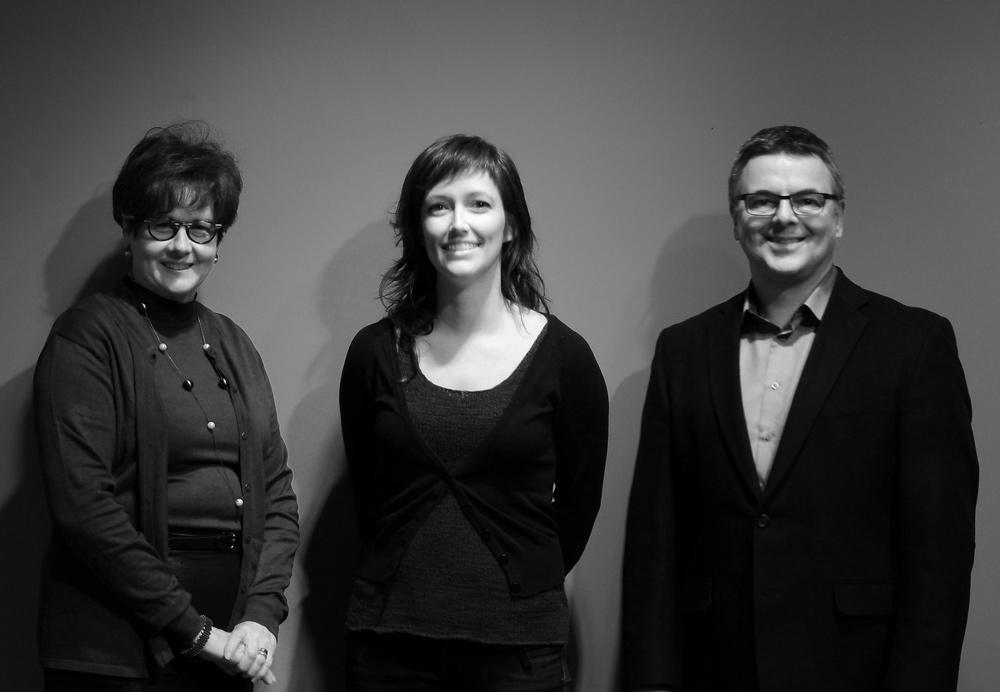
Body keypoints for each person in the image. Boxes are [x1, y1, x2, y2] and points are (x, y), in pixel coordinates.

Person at [622, 125, 978, 692]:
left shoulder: (914, 345)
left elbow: (940, 557)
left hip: (855, 668)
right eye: (761, 200)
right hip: (714, 668)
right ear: (738, 219)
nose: (784, 216)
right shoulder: (683, 350)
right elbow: (654, 546)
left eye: (808, 199)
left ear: (838, 217)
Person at [34, 122, 299, 691]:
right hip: (111, 647)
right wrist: (196, 632)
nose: (183, 246)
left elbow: (276, 491)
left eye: (202, 229)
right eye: (164, 226)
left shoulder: (235, 343)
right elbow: (83, 508)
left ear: (219, 241)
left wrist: (261, 614)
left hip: (231, 644)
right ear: (129, 229)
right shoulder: (87, 337)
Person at [339, 134, 608, 691]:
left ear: (511, 225)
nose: (458, 223)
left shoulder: (566, 358)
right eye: (439, 206)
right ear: (419, 228)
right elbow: (370, 496)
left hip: (519, 652)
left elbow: (579, 507)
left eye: (479, 204)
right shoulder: (372, 353)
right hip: (389, 646)